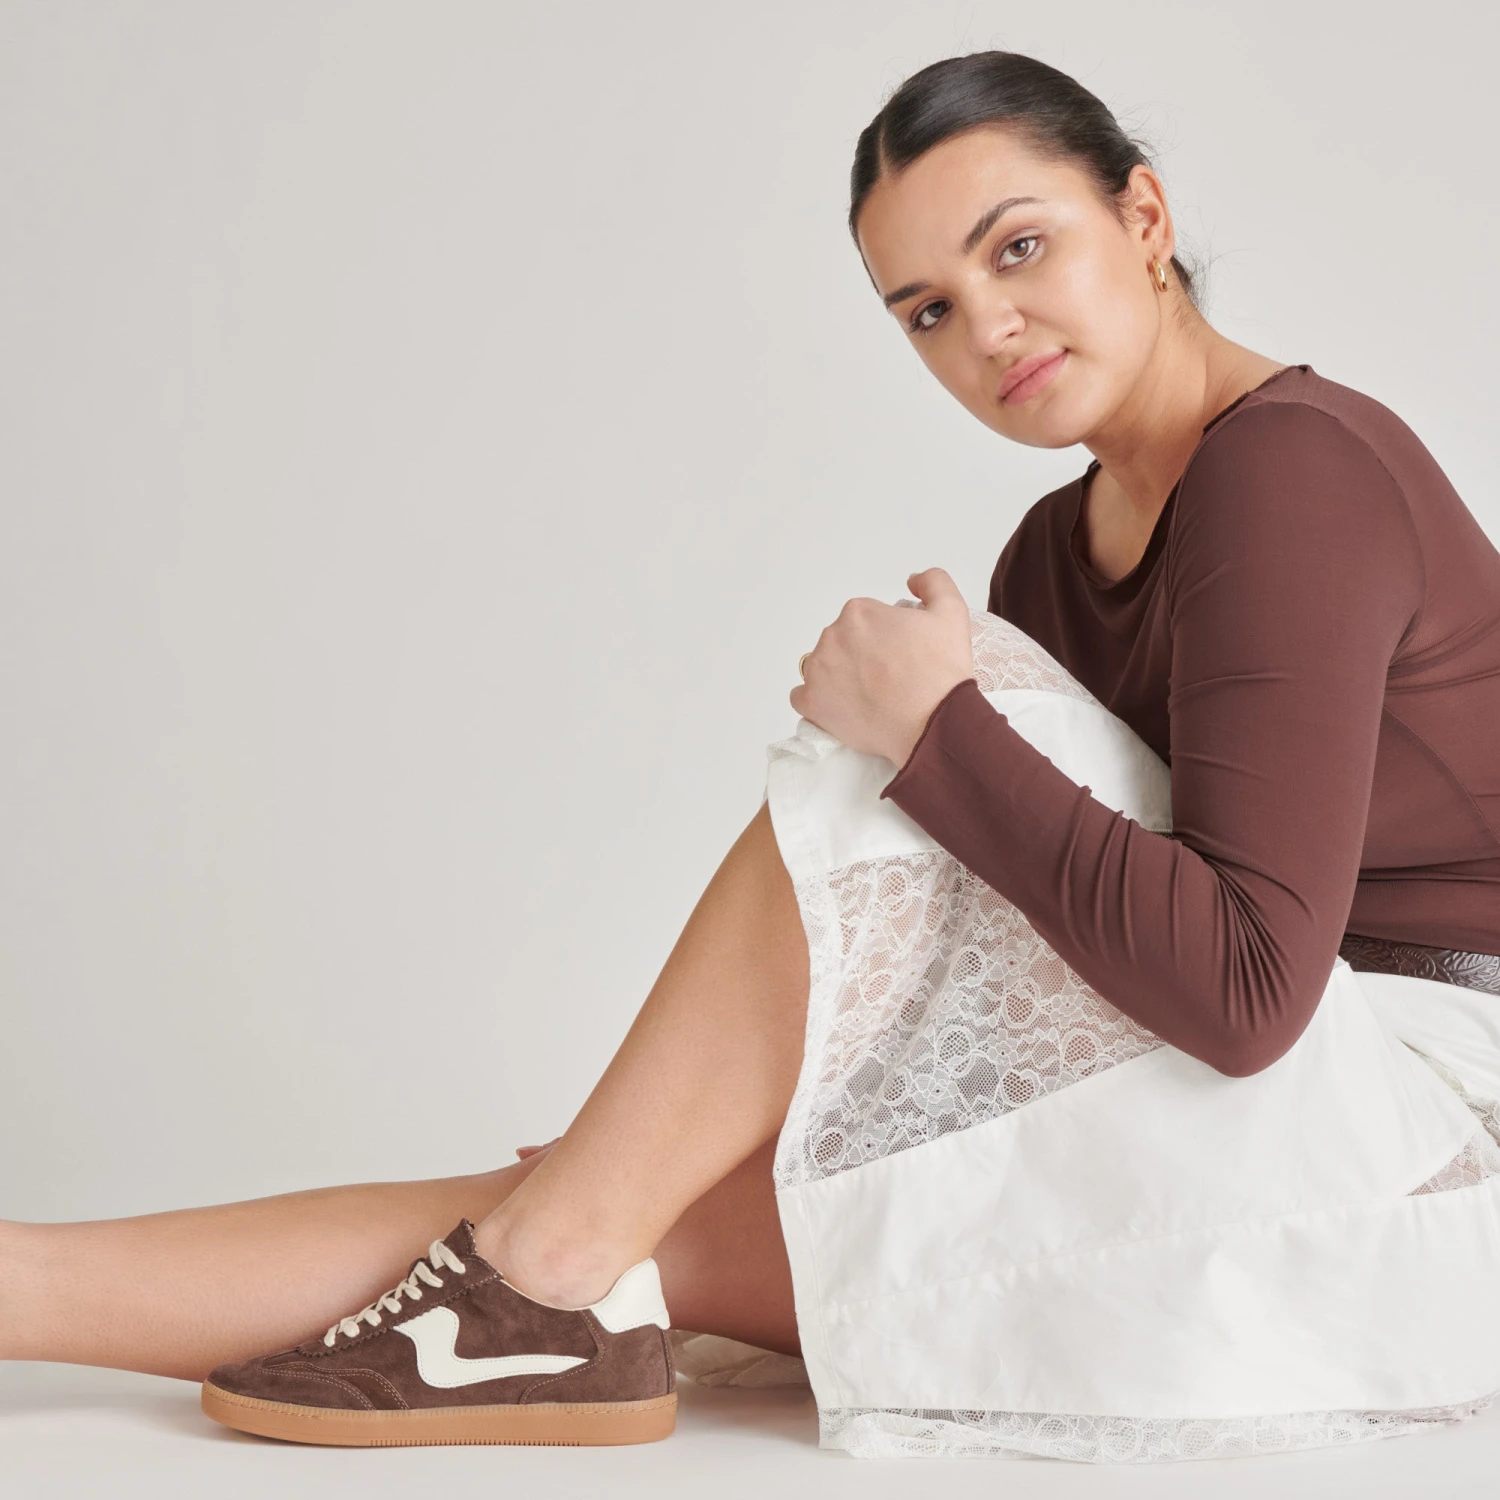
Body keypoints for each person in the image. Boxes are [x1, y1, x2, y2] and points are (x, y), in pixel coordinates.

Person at [4, 49, 1499, 1463]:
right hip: (1278, 1128)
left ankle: (550, 1260)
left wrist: (931, 737)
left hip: (1435, 1150)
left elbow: (1244, 989)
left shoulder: (1294, 471)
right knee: (622, 1222)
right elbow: (1069, 939)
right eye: (928, 309)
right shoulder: (1056, 550)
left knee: (904, 732)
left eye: (1020, 248)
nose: (987, 327)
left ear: (1146, 217)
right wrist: (674, 1139)